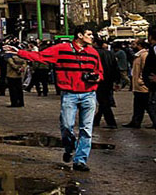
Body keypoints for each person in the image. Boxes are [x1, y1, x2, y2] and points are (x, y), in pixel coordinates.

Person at [17, 28, 104, 172]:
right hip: (70, 94)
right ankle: (69, 147)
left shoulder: (93, 52)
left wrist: (97, 76)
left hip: (89, 93)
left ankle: (80, 160)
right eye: (89, 34)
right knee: (67, 126)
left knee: (86, 129)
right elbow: (40, 56)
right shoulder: (62, 49)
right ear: (80, 35)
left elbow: (99, 71)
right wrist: (20, 52)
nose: (92, 37)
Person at [123, 41, 153, 128]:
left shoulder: (144, 55)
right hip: (137, 85)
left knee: (147, 105)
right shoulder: (138, 55)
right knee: (138, 105)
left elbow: (145, 69)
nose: (132, 46)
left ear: (139, 45)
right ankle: (135, 121)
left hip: (142, 86)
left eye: (134, 44)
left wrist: (142, 80)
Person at [92, 38, 119, 129]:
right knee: (104, 100)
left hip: (99, 80)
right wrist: (116, 80)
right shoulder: (110, 53)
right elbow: (115, 67)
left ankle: (111, 122)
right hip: (109, 80)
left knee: (103, 101)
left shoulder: (94, 53)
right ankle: (97, 120)